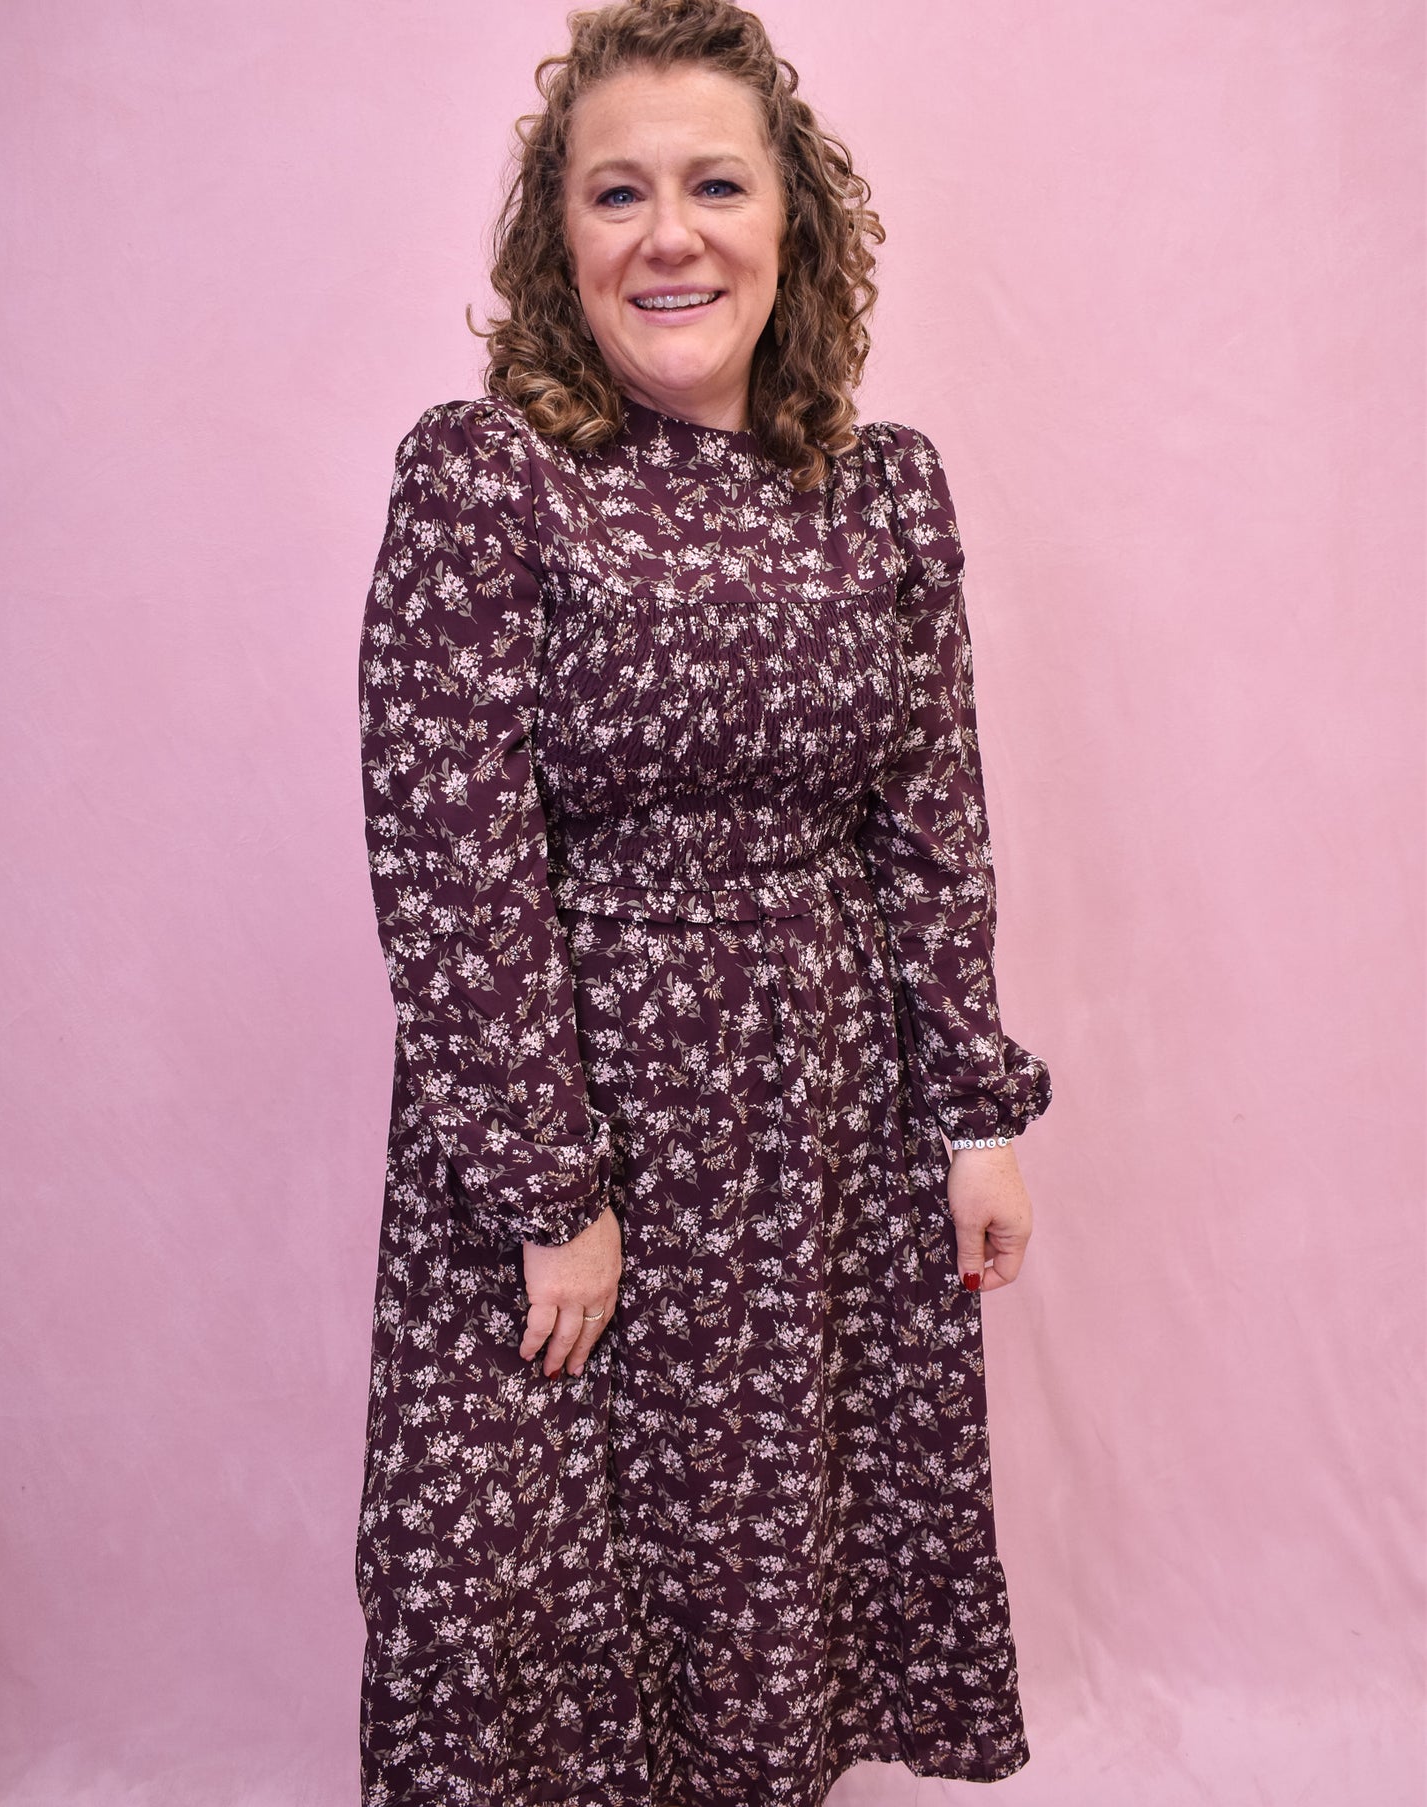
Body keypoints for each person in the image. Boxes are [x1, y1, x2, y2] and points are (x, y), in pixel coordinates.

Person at [354, 1, 1052, 1801]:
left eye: (715, 184)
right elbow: (452, 858)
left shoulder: (884, 497)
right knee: (525, 1571)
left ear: (790, 223)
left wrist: (974, 1115)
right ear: (554, 241)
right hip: (574, 1123)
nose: (670, 234)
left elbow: (930, 817)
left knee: (763, 1579)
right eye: (616, 193)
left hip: (820, 1132)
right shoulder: (486, 478)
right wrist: (544, 1190)